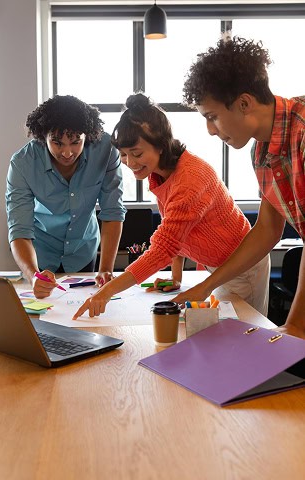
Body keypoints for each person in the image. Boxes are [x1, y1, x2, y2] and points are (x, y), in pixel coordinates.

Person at [72, 93, 270, 320]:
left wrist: (106, 292)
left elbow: (164, 248)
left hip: (242, 267)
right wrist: (176, 279)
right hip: (215, 266)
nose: (130, 162)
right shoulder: (161, 174)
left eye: (136, 153)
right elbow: (175, 231)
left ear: (161, 146)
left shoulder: (190, 179)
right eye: (124, 155)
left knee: (239, 337)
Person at [179, 35, 305, 339]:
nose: (210, 130)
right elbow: (266, 231)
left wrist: (298, 324)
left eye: (212, 117)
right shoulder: (261, 153)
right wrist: (206, 286)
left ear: (244, 103)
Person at [6, 95, 126, 299]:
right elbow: (19, 229)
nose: (67, 152)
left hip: (83, 250)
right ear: (43, 136)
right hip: (40, 254)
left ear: (87, 135)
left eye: (75, 142)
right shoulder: (22, 163)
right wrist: (33, 276)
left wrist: (106, 268)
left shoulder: (105, 150)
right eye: (57, 143)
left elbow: (112, 211)